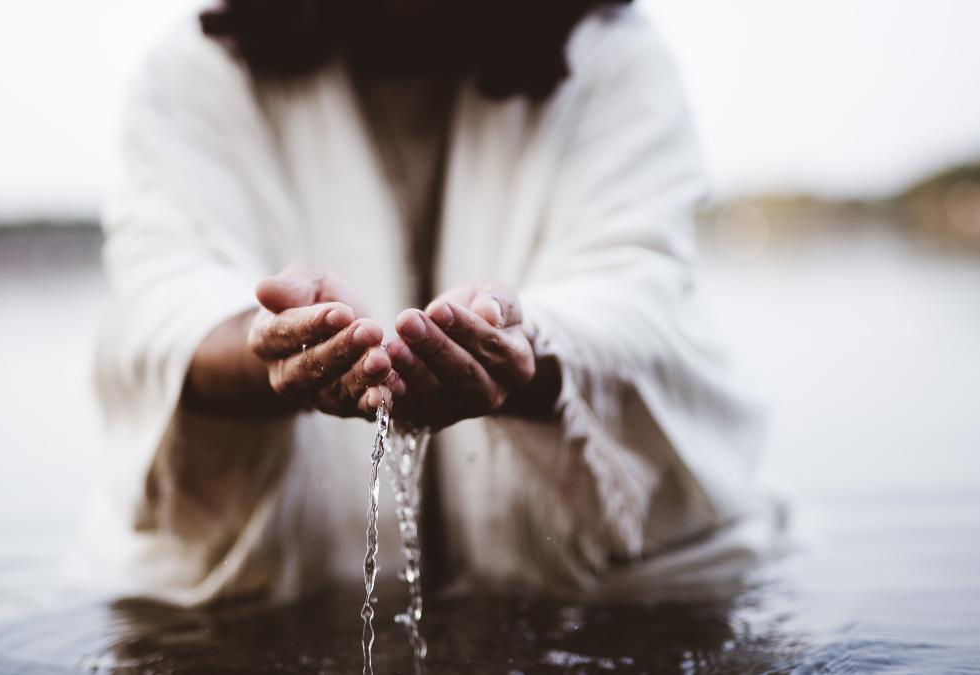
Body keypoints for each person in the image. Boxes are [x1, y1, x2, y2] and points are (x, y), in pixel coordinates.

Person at [82, 0, 777, 606]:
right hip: (251, 586)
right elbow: (159, 303)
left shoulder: (612, 53)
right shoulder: (195, 70)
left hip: (615, 590)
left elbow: (639, 293)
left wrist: (525, 342)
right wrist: (263, 344)